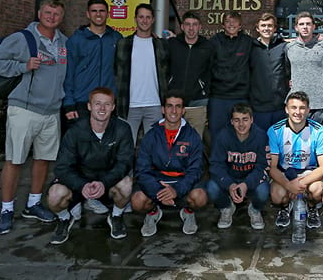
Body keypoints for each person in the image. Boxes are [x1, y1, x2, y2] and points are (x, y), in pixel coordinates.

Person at [0, 0, 68, 234]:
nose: (51, 17)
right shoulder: (22, 38)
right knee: (15, 159)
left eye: (56, 14)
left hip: (51, 111)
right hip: (24, 108)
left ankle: (33, 204)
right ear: (39, 12)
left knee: (43, 159)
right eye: (48, 12)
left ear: (62, 18)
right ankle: (6, 209)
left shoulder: (64, 42)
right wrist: (22, 66)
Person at [47, 87, 134, 244]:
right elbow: (61, 167)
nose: (102, 108)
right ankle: (64, 219)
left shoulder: (122, 128)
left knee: (127, 184)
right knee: (54, 195)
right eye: (97, 104)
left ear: (113, 107)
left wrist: (104, 182)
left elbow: (125, 162)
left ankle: (116, 216)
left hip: (107, 182)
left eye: (107, 104)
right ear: (89, 106)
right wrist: (82, 185)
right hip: (80, 183)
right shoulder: (75, 131)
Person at [131, 90, 207, 236]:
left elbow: (196, 170)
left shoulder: (192, 136)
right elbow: (142, 169)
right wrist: (159, 192)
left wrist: (176, 190)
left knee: (200, 197)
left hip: (181, 181)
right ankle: (153, 213)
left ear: (183, 110)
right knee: (137, 201)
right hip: (158, 181)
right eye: (169, 106)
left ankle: (188, 212)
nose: (173, 111)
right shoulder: (151, 135)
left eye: (178, 106)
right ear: (163, 109)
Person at [268, 91, 323, 230]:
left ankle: (312, 207)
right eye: (293, 108)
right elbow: (272, 167)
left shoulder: (318, 131)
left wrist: (299, 184)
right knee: (276, 196)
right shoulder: (275, 131)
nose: (298, 112)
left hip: (309, 174)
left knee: (318, 189)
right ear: (286, 109)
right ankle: (285, 207)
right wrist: (288, 185)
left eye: (302, 108)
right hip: (285, 174)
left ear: (308, 110)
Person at [206, 103, 269, 230]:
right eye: (237, 120)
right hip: (230, 178)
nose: (241, 124)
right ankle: (226, 207)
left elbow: (263, 166)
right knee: (211, 188)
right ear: (231, 122)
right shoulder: (223, 136)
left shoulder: (261, 136)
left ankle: (255, 209)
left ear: (251, 120)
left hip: (251, 178)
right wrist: (230, 184)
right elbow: (216, 165)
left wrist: (247, 184)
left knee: (264, 191)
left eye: (245, 119)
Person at [114, 3, 168, 144]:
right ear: (135, 19)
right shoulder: (123, 44)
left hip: (155, 104)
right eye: (141, 17)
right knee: (126, 148)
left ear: (153, 20)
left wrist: (165, 101)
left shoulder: (161, 45)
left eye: (148, 17)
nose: (144, 20)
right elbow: (116, 73)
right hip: (129, 105)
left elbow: (167, 74)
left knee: (154, 148)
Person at [62, 0, 122, 124]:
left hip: (107, 102)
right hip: (83, 102)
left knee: (106, 142)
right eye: (94, 11)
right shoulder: (76, 40)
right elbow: (68, 73)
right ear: (88, 14)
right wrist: (69, 103)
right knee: (82, 142)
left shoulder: (116, 38)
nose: (98, 14)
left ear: (108, 13)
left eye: (102, 11)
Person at [167, 11, 214, 139]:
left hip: (198, 102)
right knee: (173, 141)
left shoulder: (208, 47)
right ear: (182, 26)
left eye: (195, 24)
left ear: (200, 27)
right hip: (174, 102)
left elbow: (212, 71)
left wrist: (204, 90)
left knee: (195, 142)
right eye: (188, 24)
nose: (191, 28)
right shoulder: (172, 44)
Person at [207, 11, 254, 140]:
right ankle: (217, 160)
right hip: (218, 96)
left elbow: (266, 45)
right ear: (222, 25)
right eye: (228, 21)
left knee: (241, 134)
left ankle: (238, 160)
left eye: (234, 22)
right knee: (217, 134)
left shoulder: (248, 42)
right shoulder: (214, 42)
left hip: (240, 96)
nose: (231, 24)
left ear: (240, 25)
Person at [285, 11, 323, 124]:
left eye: (308, 24)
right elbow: (286, 70)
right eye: (301, 24)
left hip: (319, 103)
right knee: (298, 139)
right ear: (296, 27)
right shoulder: (289, 47)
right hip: (296, 105)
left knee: (317, 139)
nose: (305, 27)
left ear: (314, 26)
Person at [249, 13, 289, 131]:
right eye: (263, 25)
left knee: (280, 142)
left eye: (270, 26)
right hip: (258, 107)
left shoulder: (283, 46)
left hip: (279, 106)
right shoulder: (250, 47)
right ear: (258, 28)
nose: (266, 28)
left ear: (275, 28)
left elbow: (288, 70)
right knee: (262, 142)